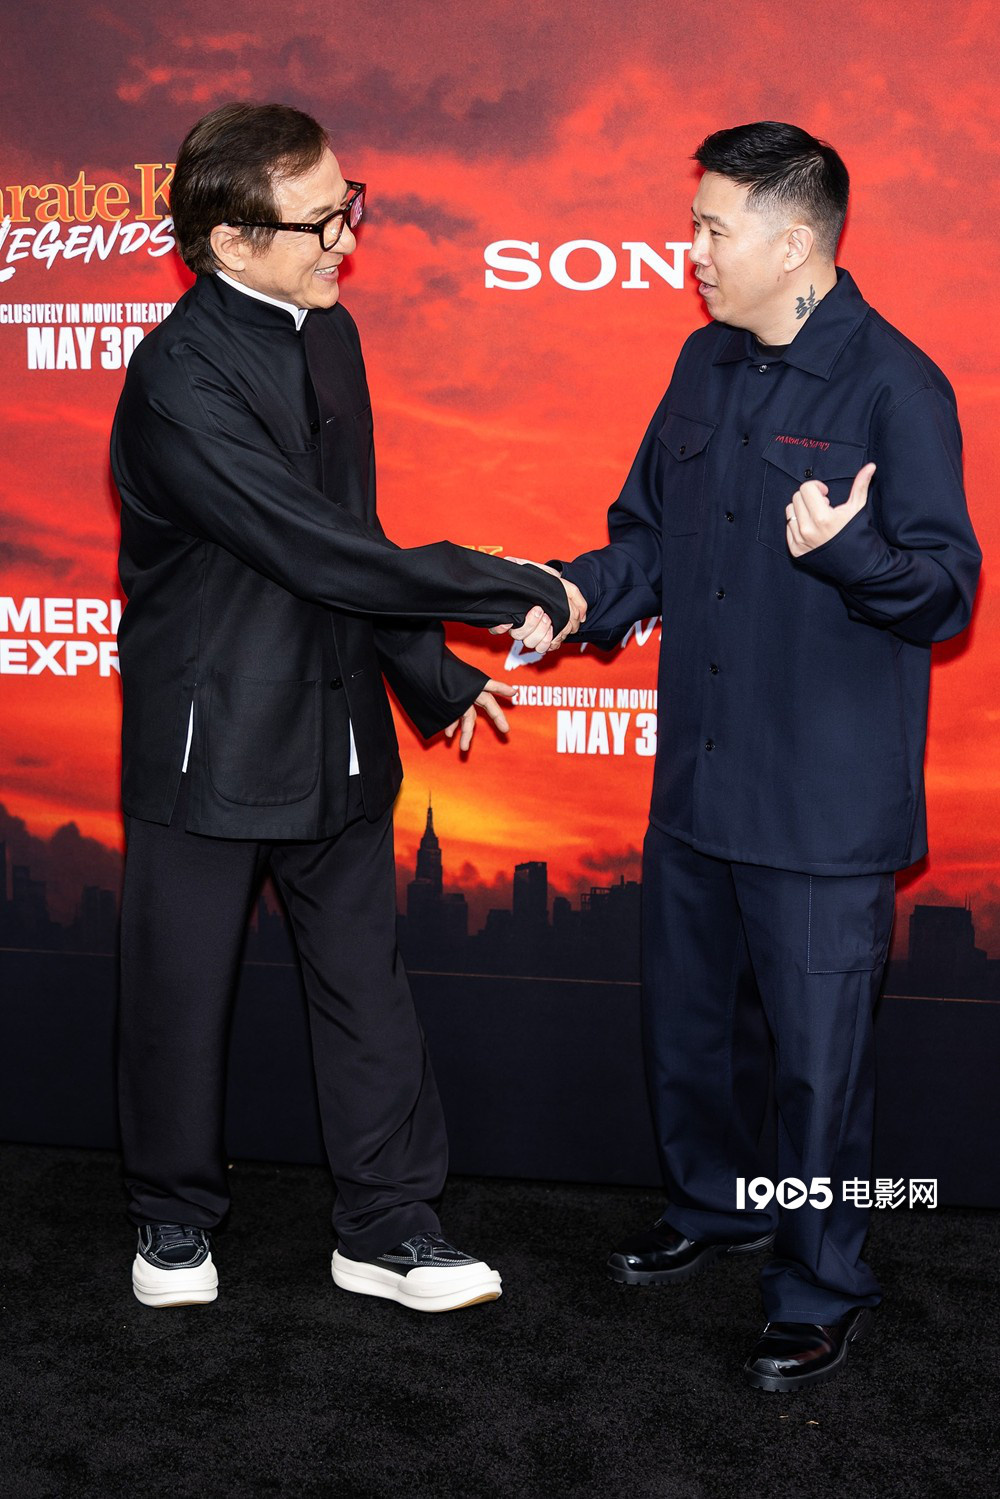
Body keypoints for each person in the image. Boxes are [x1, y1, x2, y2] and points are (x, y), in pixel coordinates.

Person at [110, 101, 584, 1313]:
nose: (346, 240)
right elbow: (307, 544)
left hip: (338, 724)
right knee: (179, 995)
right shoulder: (176, 378)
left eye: (347, 206)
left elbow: (353, 534)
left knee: (368, 988)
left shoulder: (331, 331)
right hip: (210, 741)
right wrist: (505, 582)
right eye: (320, 222)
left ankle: (386, 1225)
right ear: (230, 239)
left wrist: (429, 674)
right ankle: (173, 1216)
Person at [544, 121, 980, 1389]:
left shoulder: (896, 386)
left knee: (815, 1071)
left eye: (709, 228)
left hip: (820, 812)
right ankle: (715, 1203)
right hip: (696, 785)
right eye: (692, 224)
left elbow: (947, 591)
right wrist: (571, 595)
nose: (687, 250)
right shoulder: (703, 362)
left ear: (793, 243)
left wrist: (851, 554)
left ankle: (822, 1281)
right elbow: (646, 535)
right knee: (689, 1037)